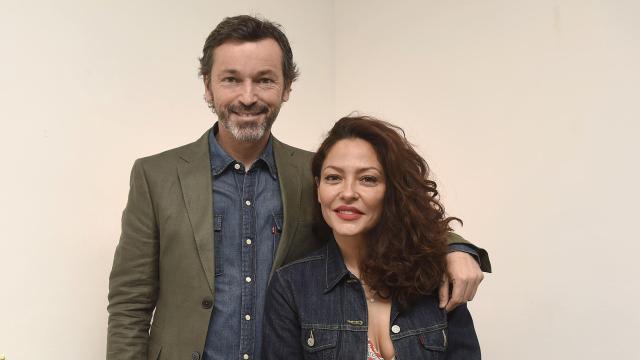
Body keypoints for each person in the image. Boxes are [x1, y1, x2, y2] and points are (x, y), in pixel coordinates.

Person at [107, 15, 490, 360]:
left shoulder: (319, 173)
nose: (248, 96)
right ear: (207, 86)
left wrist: (455, 248)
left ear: (286, 87)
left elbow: (391, 213)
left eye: (265, 80)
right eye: (231, 79)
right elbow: (129, 304)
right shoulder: (155, 175)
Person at [262, 116, 481, 359]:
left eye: (368, 179)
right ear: (318, 188)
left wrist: (458, 249)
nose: (347, 193)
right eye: (333, 177)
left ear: (392, 191)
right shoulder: (291, 286)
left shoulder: (436, 276)